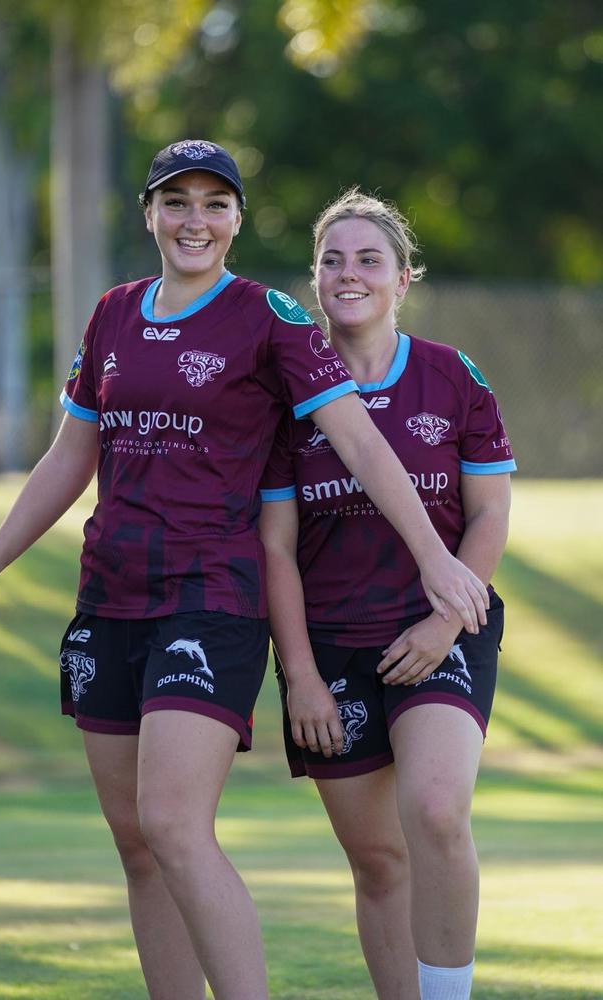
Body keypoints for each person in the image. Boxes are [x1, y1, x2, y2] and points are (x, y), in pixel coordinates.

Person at [0, 145, 489, 1000]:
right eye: (176, 202)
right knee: (136, 842)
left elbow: (358, 440)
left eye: (213, 204)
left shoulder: (268, 316)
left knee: (173, 823)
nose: (193, 220)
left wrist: (433, 558)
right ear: (150, 213)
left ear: (237, 219)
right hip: (110, 593)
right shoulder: (112, 315)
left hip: (212, 596)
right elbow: (70, 454)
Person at [259, 188, 516, 1000]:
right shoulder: (284, 396)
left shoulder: (452, 376)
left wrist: (447, 621)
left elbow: (489, 513)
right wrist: (299, 675)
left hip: (440, 628)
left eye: (370, 259)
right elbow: (275, 546)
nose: (349, 273)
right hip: (332, 643)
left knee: (436, 813)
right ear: (314, 279)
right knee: (376, 860)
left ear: (404, 278)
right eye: (332, 260)